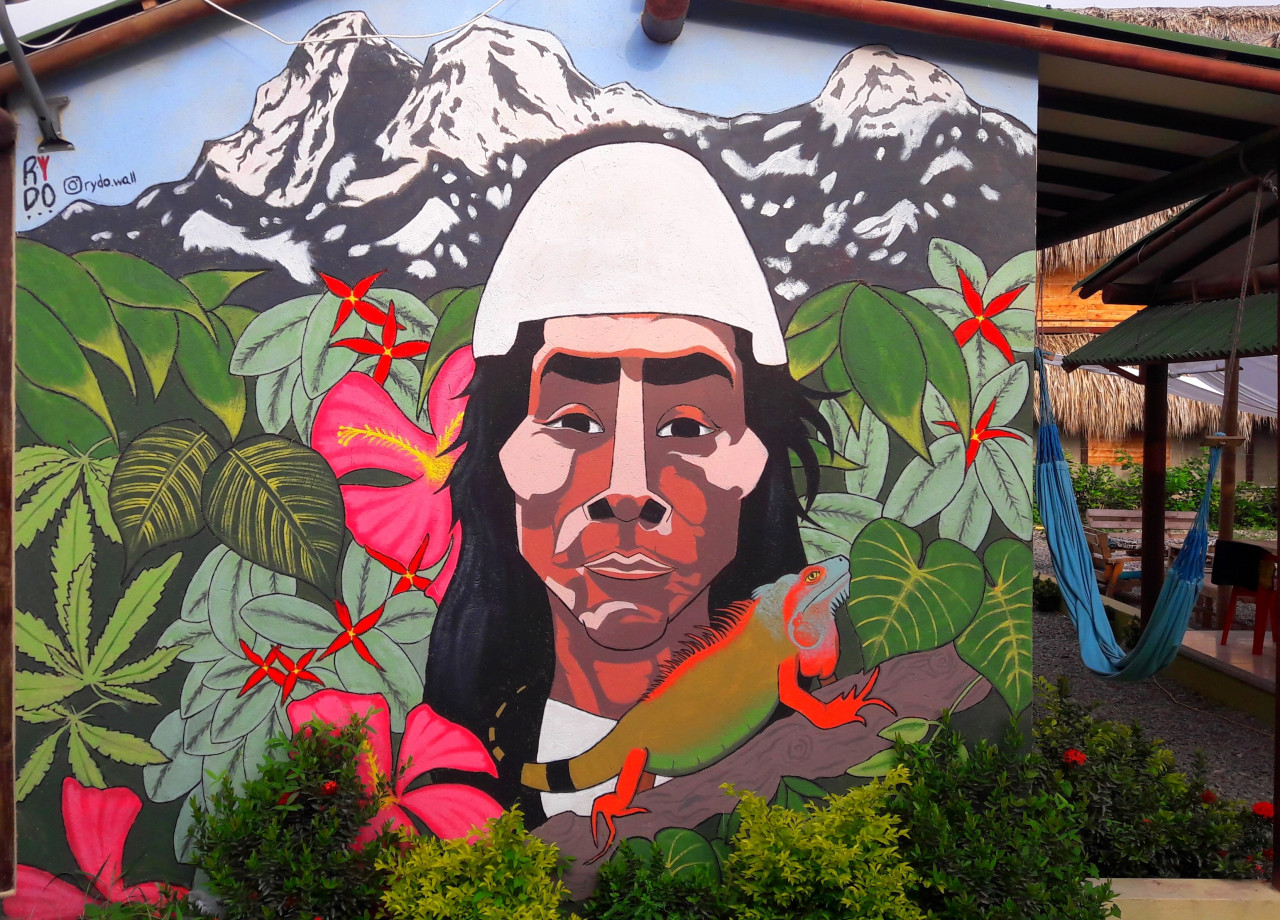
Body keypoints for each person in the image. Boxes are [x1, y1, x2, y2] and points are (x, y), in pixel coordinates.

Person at [424, 142, 828, 820]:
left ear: (755, 461)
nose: (629, 487)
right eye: (575, 420)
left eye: (689, 426)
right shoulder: (456, 765)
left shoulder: (803, 753)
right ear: (505, 457)